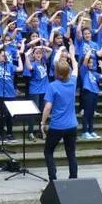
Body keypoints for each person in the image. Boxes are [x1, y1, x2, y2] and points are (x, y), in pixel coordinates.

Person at [40, 43, 79, 181]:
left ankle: (53, 179)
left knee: (48, 151)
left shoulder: (52, 86)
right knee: (71, 154)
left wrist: (42, 123)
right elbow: (76, 67)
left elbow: (47, 107)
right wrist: (72, 55)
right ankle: (73, 179)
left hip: (57, 125)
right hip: (72, 125)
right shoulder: (73, 82)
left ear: (57, 73)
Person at [0, 43, 23, 142]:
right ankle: (1, 134)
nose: (4, 57)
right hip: (0, 94)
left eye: (5, 56)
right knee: (3, 114)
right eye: (2, 55)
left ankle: (10, 133)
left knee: (10, 115)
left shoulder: (10, 65)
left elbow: (20, 68)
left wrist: (19, 57)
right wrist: (5, 45)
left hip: (11, 93)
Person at [79, 52, 102, 140]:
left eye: (92, 62)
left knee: (91, 113)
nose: (91, 64)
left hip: (95, 93)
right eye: (89, 62)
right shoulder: (84, 71)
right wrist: (90, 51)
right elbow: (86, 59)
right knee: (86, 113)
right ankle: (85, 132)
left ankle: (91, 131)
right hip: (88, 93)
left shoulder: (94, 73)